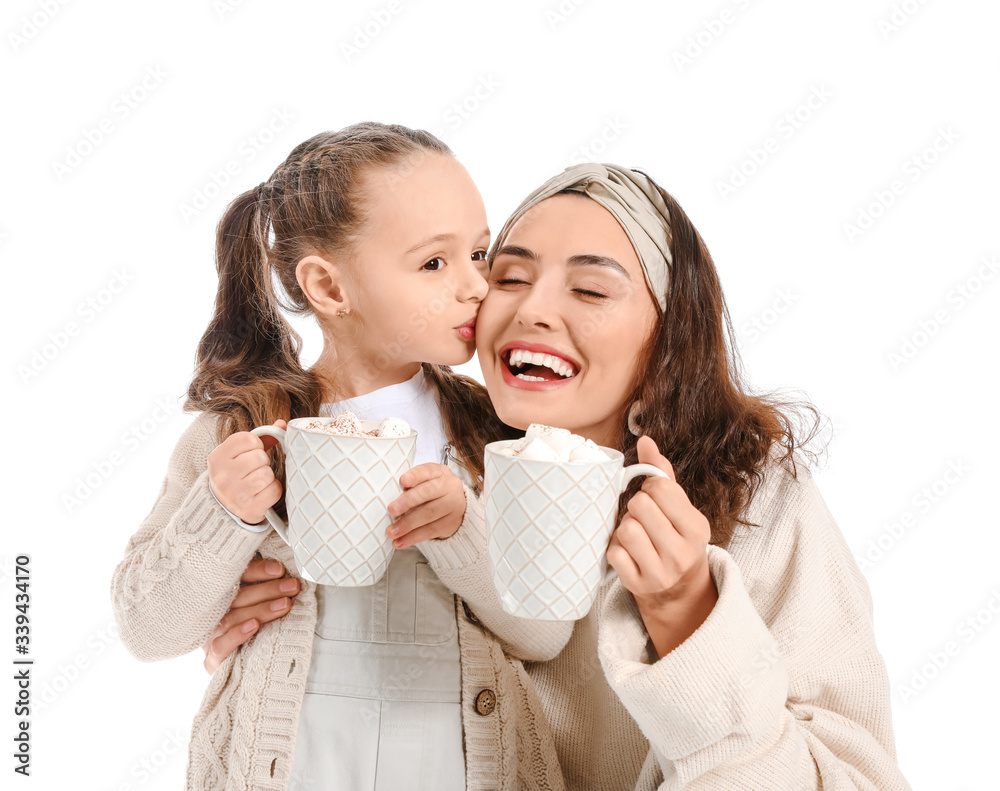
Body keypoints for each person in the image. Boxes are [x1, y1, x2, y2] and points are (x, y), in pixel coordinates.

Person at [212, 163, 912, 789]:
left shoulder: (756, 506)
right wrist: (264, 632)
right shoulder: (431, 475)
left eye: (591, 289)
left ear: (667, 336)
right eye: (508, 277)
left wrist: (687, 616)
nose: (533, 309)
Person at [110, 122, 574, 791]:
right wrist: (225, 514)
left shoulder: (491, 432)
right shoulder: (241, 430)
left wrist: (462, 527)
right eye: (435, 263)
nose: (477, 286)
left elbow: (546, 633)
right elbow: (146, 628)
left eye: (480, 252)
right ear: (329, 288)